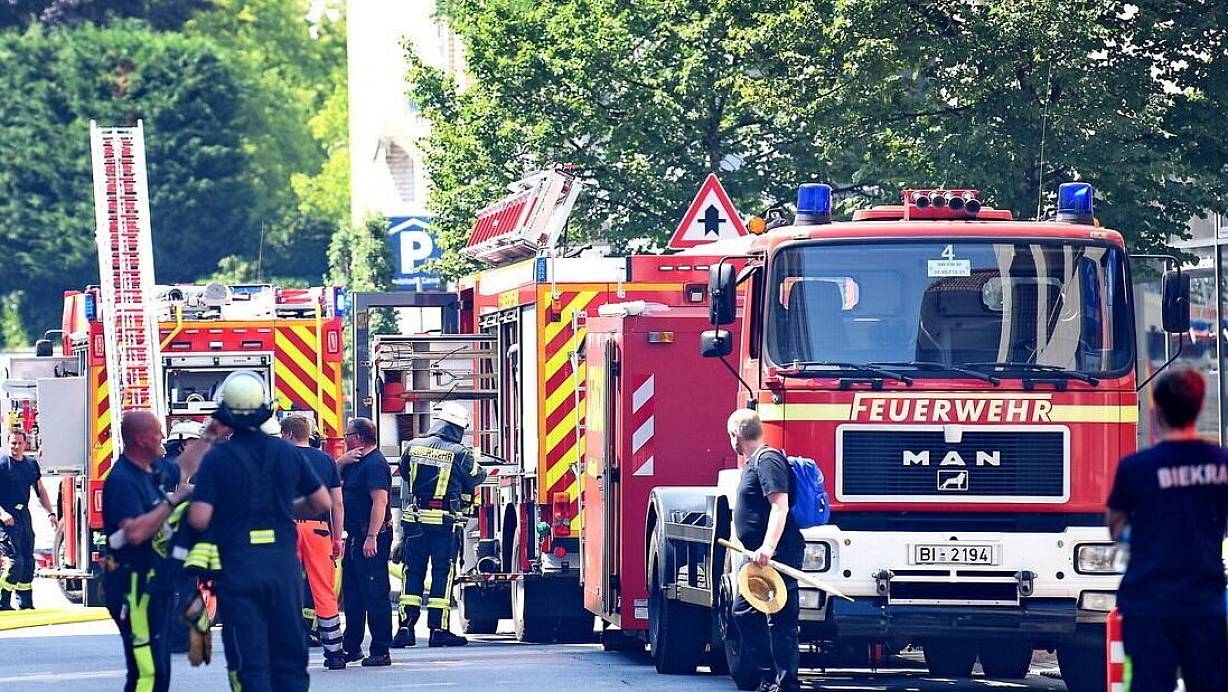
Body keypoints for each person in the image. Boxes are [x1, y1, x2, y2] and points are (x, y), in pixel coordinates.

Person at [187, 371, 329, 692]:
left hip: (238, 567)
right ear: (266, 408)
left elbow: (198, 517)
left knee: (250, 658)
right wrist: (283, 509)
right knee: (290, 655)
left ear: (225, 413)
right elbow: (321, 501)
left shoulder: (217, 460)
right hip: (281, 566)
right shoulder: (287, 452)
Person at [1106, 368, 1228, 692]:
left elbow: (1116, 527)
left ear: (1157, 410)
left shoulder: (1135, 468)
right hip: (1204, 604)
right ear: (1200, 408)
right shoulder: (1222, 465)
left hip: (1148, 604)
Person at [101, 411, 194, 692]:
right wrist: (173, 501)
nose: (163, 439)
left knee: (158, 669)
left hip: (155, 586)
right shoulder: (123, 480)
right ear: (141, 439)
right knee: (146, 671)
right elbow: (135, 532)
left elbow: (186, 463)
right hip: (133, 589)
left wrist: (215, 431)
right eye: (157, 433)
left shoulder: (152, 472)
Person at [391, 402, 487, 648]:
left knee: (412, 573)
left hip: (416, 521)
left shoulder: (412, 447)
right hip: (445, 523)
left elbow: (403, 473)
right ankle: (438, 629)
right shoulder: (461, 453)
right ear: (459, 428)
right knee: (442, 575)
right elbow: (477, 476)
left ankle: (405, 627)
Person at [727, 409, 803, 692]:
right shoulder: (754, 461)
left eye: (730, 436)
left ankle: (785, 684)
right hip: (762, 557)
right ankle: (772, 680)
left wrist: (767, 548)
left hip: (777, 554)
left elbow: (779, 506)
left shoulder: (768, 460)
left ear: (736, 435)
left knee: (779, 620)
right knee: (746, 613)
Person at [280, 414, 346, 670]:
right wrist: (337, 536)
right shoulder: (327, 460)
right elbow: (337, 504)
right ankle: (335, 652)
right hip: (319, 531)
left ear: (287, 434)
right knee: (324, 590)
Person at [336, 417, 393, 666]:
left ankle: (380, 650)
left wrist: (372, 536)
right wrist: (340, 462)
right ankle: (352, 646)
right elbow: (331, 484)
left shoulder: (374, 465)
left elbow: (379, 503)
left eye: (347, 434)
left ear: (358, 437)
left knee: (374, 593)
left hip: (371, 536)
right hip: (356, 536)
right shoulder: (354, 462)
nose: (345, 438)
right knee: (354, 593)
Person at [0, 429, 57, 610]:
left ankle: (25, 603)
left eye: (19, 443)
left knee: (27, 561)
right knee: (15, 562)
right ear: (8, 443)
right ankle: (2, 601)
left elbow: (40, 491)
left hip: (23, 516)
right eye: (13, 443)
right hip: (6, 517)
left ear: (26, 444)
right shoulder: (2, 465)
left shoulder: (31, 465)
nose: (16, 447)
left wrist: (50, 513)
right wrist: (3, 515)